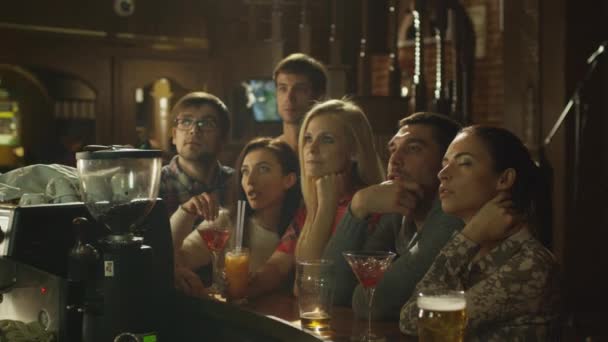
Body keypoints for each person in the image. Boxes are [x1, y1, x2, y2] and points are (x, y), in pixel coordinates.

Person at [399, 125, 561, 340]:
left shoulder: (531, 264)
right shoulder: (469, 249)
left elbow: (413, 322)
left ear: (504, 180)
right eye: (445, 163)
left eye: (464, 162)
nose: (443, 174)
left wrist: (470, 236)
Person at [322, 112, 464, 320]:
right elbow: (332, 291)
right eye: (393, 149)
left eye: (413, 149)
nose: (395, 161)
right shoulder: (397, 213)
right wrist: (358, 206)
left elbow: (374, 303)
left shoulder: (452, 217)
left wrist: (365, 293)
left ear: (446, 163)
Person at [247, 99, 385, 297]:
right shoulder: (310, 204)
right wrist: (248, 283)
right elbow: (278, 265)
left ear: (354, 150)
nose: (311, 149)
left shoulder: (369, 208)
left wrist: (326, 206)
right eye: (308, 139)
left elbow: (308, 287)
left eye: (327, 139)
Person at [171, 137, 301, 276]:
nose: (250, 180)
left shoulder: (299, 230)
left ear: (289, 180)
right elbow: (175, 260)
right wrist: (185, 213)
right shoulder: (225, 222)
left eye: (263, 169)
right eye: (245, 171)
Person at [158, 92, 234, 296]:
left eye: (206, 123)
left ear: (223, 139)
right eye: (186, 121)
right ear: (174, 135)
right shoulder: (154, 186)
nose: (194, 130)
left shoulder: (237, 184)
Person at [273, 53, 328, 151]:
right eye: (283, 88)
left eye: (299, 89)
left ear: (319, 96)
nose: (289, 97)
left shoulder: (325, 151)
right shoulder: (270, 153)